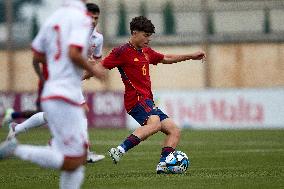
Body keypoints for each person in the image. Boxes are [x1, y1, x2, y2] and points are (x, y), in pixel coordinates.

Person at [0, 1, 105, 189]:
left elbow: (37, 55)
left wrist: (56, 66)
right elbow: (74, 53)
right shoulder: (81, 18)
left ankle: (48, 141)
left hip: (55, 89)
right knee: (74, 160)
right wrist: (93, 70)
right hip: (66, 91)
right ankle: (18, 149)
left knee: (76, 163)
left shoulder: (54, 19)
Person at [101, 16, 205, 174]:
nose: (148, 39)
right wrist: (76, 78)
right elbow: (100, 66)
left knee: (174, 130)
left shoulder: (146, 51)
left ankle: (163, 164)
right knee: (155, 124)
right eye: (146, 35)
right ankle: (119, 150)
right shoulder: (121, 52)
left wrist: (190, 55)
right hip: (135, 99)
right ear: (134, 33)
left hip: (147, 100)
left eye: (150, 36)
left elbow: (167, 58)